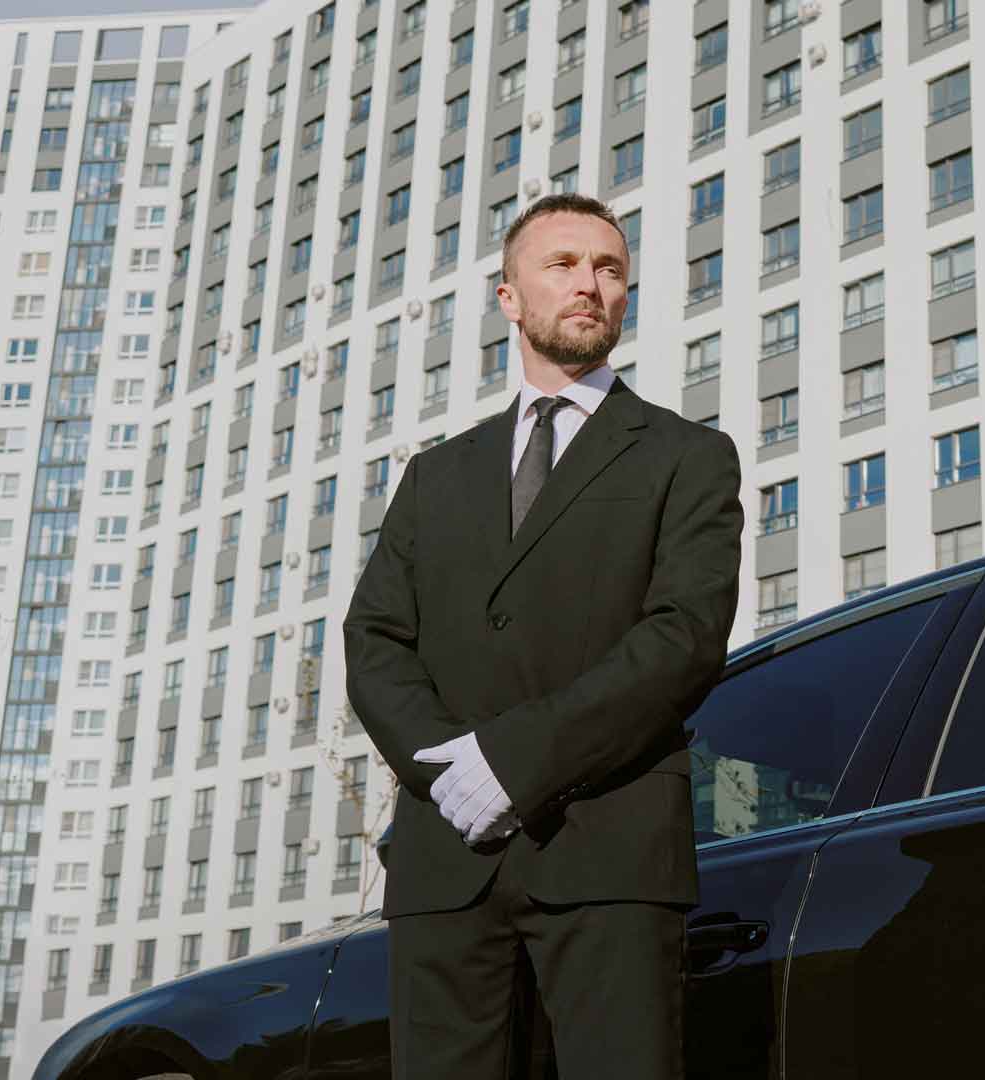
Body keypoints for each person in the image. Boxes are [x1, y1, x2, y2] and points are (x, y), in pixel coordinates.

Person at [343, 192, 744, 1078]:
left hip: (609, 856)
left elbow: (683, 639)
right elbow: (374, 641)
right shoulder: (435, 476)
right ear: (509, 297)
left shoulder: (687, 456)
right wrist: (448, 770)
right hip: (447, 864)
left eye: (609, 269)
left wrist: (515, 763)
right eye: (563, 265)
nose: (590, 285)